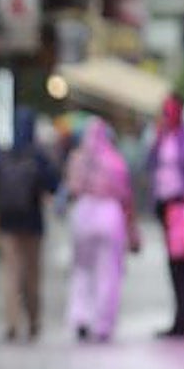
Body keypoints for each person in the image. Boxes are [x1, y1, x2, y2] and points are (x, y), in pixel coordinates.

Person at [0, 107, 60, 342]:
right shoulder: (37, 156)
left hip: (7, 221)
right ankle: (34, 321)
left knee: (11, 273)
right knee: (32, 274)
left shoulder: (1, 154)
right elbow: (52, 184)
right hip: (32, 222)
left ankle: (12, 322)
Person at [63, 117, 138, 343]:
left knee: (82, 270)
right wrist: (132, 229)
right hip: (109, 213)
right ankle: (103, 323)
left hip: (83, 213)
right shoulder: (115, 160)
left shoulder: (78, 158)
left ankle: (81, 317)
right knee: (108, 272)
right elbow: (125, 195)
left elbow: (72, 188)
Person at [146, 93, 184, 338]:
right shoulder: (162, 139)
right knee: (175, 266)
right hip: (167, 208)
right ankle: (181, 317)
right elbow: (150, 166)